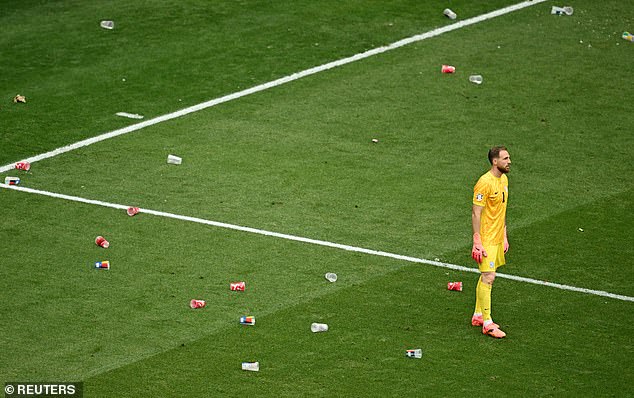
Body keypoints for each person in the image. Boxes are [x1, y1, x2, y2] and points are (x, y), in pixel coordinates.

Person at [471, 146, 511, 338]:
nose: (509, 161)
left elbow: (502, 210)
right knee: (489, 277)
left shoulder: (504, 179)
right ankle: (487, 323)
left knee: (487, 276)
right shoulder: (484, 183)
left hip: (496, 237)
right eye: (505, 158)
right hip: (485, 238)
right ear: (495, 162)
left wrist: (504, 234)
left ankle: (478, 314)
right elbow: (475, 212)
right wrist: (477, 240)